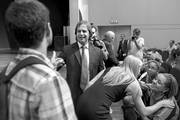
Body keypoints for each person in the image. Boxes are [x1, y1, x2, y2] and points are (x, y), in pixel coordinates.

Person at [4, 0, 77, 120]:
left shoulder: (8, 70)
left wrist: (48, 67)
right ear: (48, 29)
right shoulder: (50, 81)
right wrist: (48, 72)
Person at [76, 55, 174, 120]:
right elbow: (144, 111)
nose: (140, 71)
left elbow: (89, 85)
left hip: (80, 103)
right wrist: (161, 104)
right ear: (134, 67)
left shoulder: (110, 69)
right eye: (139, 68)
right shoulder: (132, 82)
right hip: (97, 111)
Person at [59, 20, 105, 108]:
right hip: (72, 97)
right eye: (78, 31)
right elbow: (56, 66)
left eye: (84, 31)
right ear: (75, 34)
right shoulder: (67, 50)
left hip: (91, 95)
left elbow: (101, 74)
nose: (81, 34)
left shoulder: (98, 52)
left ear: (89, 34)